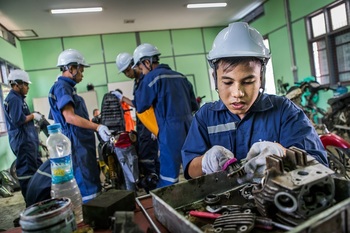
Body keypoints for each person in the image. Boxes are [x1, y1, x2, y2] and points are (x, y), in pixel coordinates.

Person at [181, 22, 328, 180]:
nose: (238, 93)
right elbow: (190, 169)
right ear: (215, 79)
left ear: (261, 79)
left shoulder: (285, 112)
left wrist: (284, 154)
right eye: (228, 82)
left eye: (248, 81)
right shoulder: (206, 117)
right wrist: (204, 162)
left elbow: (320, 166)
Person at [114, 44, 199, 187]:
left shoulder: (151, 78)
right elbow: (193, 106)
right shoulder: (181, 76)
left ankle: (167, 206)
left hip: (169, 130)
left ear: (147, 62)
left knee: (168, 177)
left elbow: (141, 105)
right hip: (190, 128)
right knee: (193, 169)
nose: (141, 71)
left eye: (140, 68)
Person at [48, 48, 111, 203]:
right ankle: (93, 216)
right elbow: (69, 117)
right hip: (77, 145)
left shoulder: (67, 88)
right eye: (81, 70)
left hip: (81, 142)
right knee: (87, 184)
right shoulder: (62, 87)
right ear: (71, 68)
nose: (82, 74)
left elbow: (58, 116)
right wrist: (97, 127)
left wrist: (91, 122)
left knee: (90, 178)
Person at [115, 52, 160, 191]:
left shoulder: (147, 80)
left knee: (149, 161)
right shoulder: (138, 82)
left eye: (128, 70)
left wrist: (156, 126)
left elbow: (154, 105)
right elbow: (138, 104)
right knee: (145, 160)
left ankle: (155, 190)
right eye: (124, 72)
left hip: (150, 128)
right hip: (142, 127)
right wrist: (122, 98)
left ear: (135, 65)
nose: (127, 74)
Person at [3, 69, 43, 206]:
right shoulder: (14, 98)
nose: (28, 87)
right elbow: (18, 120)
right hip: (23, 142)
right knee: (28, 173)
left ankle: (39, 200)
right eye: (26, 84)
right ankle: (32, 204)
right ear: (17, 84)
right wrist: (32, 116)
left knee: (37, 169)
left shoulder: (18, 99)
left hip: (27, 141)